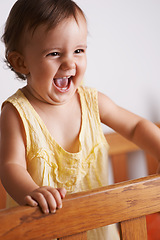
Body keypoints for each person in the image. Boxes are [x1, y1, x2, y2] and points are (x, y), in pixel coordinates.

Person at [0, 0, 160, 239]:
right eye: (54, 53)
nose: (69, 63)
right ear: (21, 62)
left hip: (98, 226)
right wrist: (32, 190)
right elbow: (10, 166)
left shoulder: (92, 101)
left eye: (78, 50)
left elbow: (136, 127)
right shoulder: (16, 113)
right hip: (42, 226)